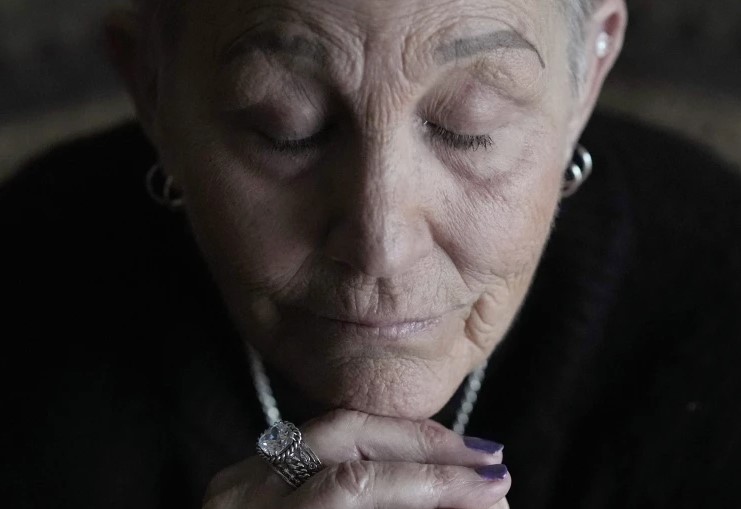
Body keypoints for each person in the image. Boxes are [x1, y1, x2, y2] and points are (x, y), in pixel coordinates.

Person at [2, 0, 740, 507]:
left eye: (469, 126)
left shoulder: (718, 299)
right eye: (287, 128)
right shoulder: (28, 286)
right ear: (153, 86)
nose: (380, 245)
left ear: (587, 71)